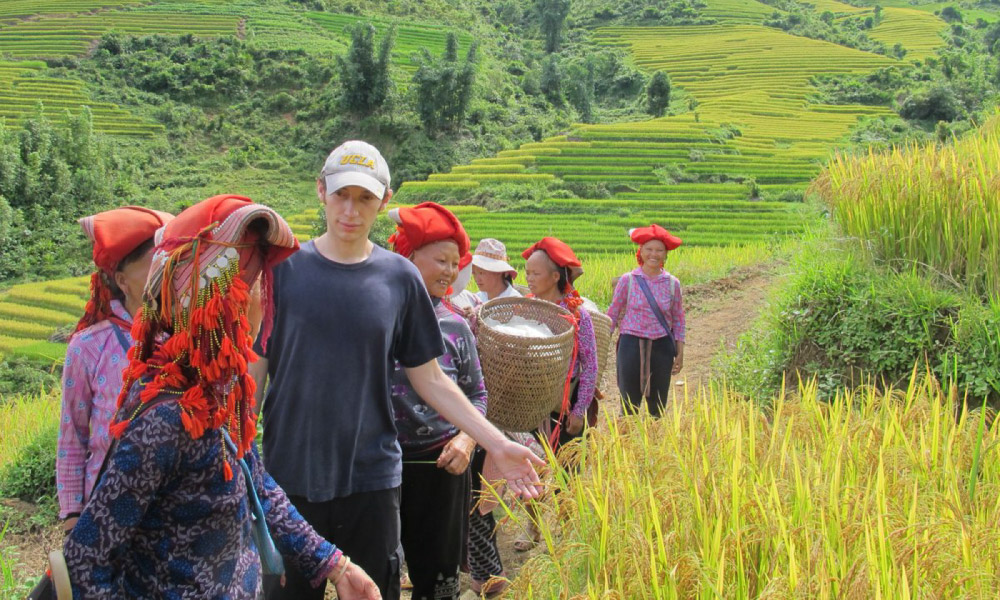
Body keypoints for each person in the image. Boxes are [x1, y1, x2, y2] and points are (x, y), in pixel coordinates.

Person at [250, 140, 543, 600]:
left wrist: (496, 443)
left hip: (372, 478)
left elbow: (431, 378)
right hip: (291, 478)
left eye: (365, 198)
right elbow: (253, 376)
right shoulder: (281, 273)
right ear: (320, 191)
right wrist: (239, 464)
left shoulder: (398, 278)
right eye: (341, 195)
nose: (351, 210)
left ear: (383, 200)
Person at [62, 194, 381, 599]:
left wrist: (333, 565)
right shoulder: (169, 418)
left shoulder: (216, 394)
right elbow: (86, 561)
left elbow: (258, 486)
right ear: (214, 305)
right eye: (250, 284)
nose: (264, 299)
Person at [385, 202, 483, 600]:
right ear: (406, 258)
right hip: (378, 466)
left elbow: (477, 392)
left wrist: (466, 439)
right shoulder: (377, 318)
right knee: (379, 572)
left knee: (438, 577)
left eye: (455, 263)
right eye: (440, 259)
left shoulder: (456, 325)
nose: (449, 270)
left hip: (441, 464)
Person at [56, 206, 173, 533]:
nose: (166, 275)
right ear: (122, 280)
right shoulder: (88, 347)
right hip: (105, 516)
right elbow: (72, 437)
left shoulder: (185, 339)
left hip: (171, 514)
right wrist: (72, 517)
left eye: (172, 265)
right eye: (156, 266)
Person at [607, 224, 686, 417]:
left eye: (659, 250)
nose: (654, 254)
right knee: (628, 404)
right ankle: (626, 444)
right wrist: (601, 344)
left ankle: (655, 443)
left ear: (666, 255)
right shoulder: (628, 280)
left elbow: (678, 319)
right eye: (649, 249)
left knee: (657, 406)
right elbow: (613, 312)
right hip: (630, 345)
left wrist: (680, 352)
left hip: (662, 346)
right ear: (640, 252)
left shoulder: (672, 283)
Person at [471, 238, 521, 303]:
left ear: (499, 272)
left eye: (481, 273)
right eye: (474, 273)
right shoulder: (476, 298)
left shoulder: (515, 302)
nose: (477, 279)